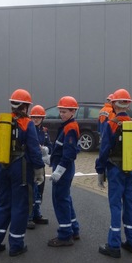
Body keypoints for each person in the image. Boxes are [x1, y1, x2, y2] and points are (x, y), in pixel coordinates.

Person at [0, 90, 45, 256]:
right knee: (20, 206)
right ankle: (16, 245)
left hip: (1, 167)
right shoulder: (27, 123)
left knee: (3, 204)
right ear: (25, 106)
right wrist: (39, 169)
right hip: (21, 168)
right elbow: (33, 149)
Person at [95, 89, 132, 258]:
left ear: (113, 104)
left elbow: (104, 150)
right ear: (128, 104)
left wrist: (100, 171)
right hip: (131, 170)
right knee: (130, 203)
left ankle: (114, 245)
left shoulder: (111, 124)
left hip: (115, 170)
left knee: (116, 205)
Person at [47, 96, 81, 248]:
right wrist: (49, 157)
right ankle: (73, 229)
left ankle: (65, 235)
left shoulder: (70, 128)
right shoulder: (68, 126)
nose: (62, 114)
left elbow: (69, 154)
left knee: (60, 199)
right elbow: (62, 150)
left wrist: (59, 170)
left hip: (64, 169)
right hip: (62, 167)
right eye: (60, 111)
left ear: (73, 111)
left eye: (65, 111)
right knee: (65, 198)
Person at [27, 104, 52, 229]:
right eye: (34, 117)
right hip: (30, 165)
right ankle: (29, 217)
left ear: (42, 118)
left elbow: (50, 146)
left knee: (40, 191)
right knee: (31, 191)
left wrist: (46, 150)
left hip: (40, 165)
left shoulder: (44, 132)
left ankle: (37, 214)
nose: (36, 119)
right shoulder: (28, 129)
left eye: (39, 117)